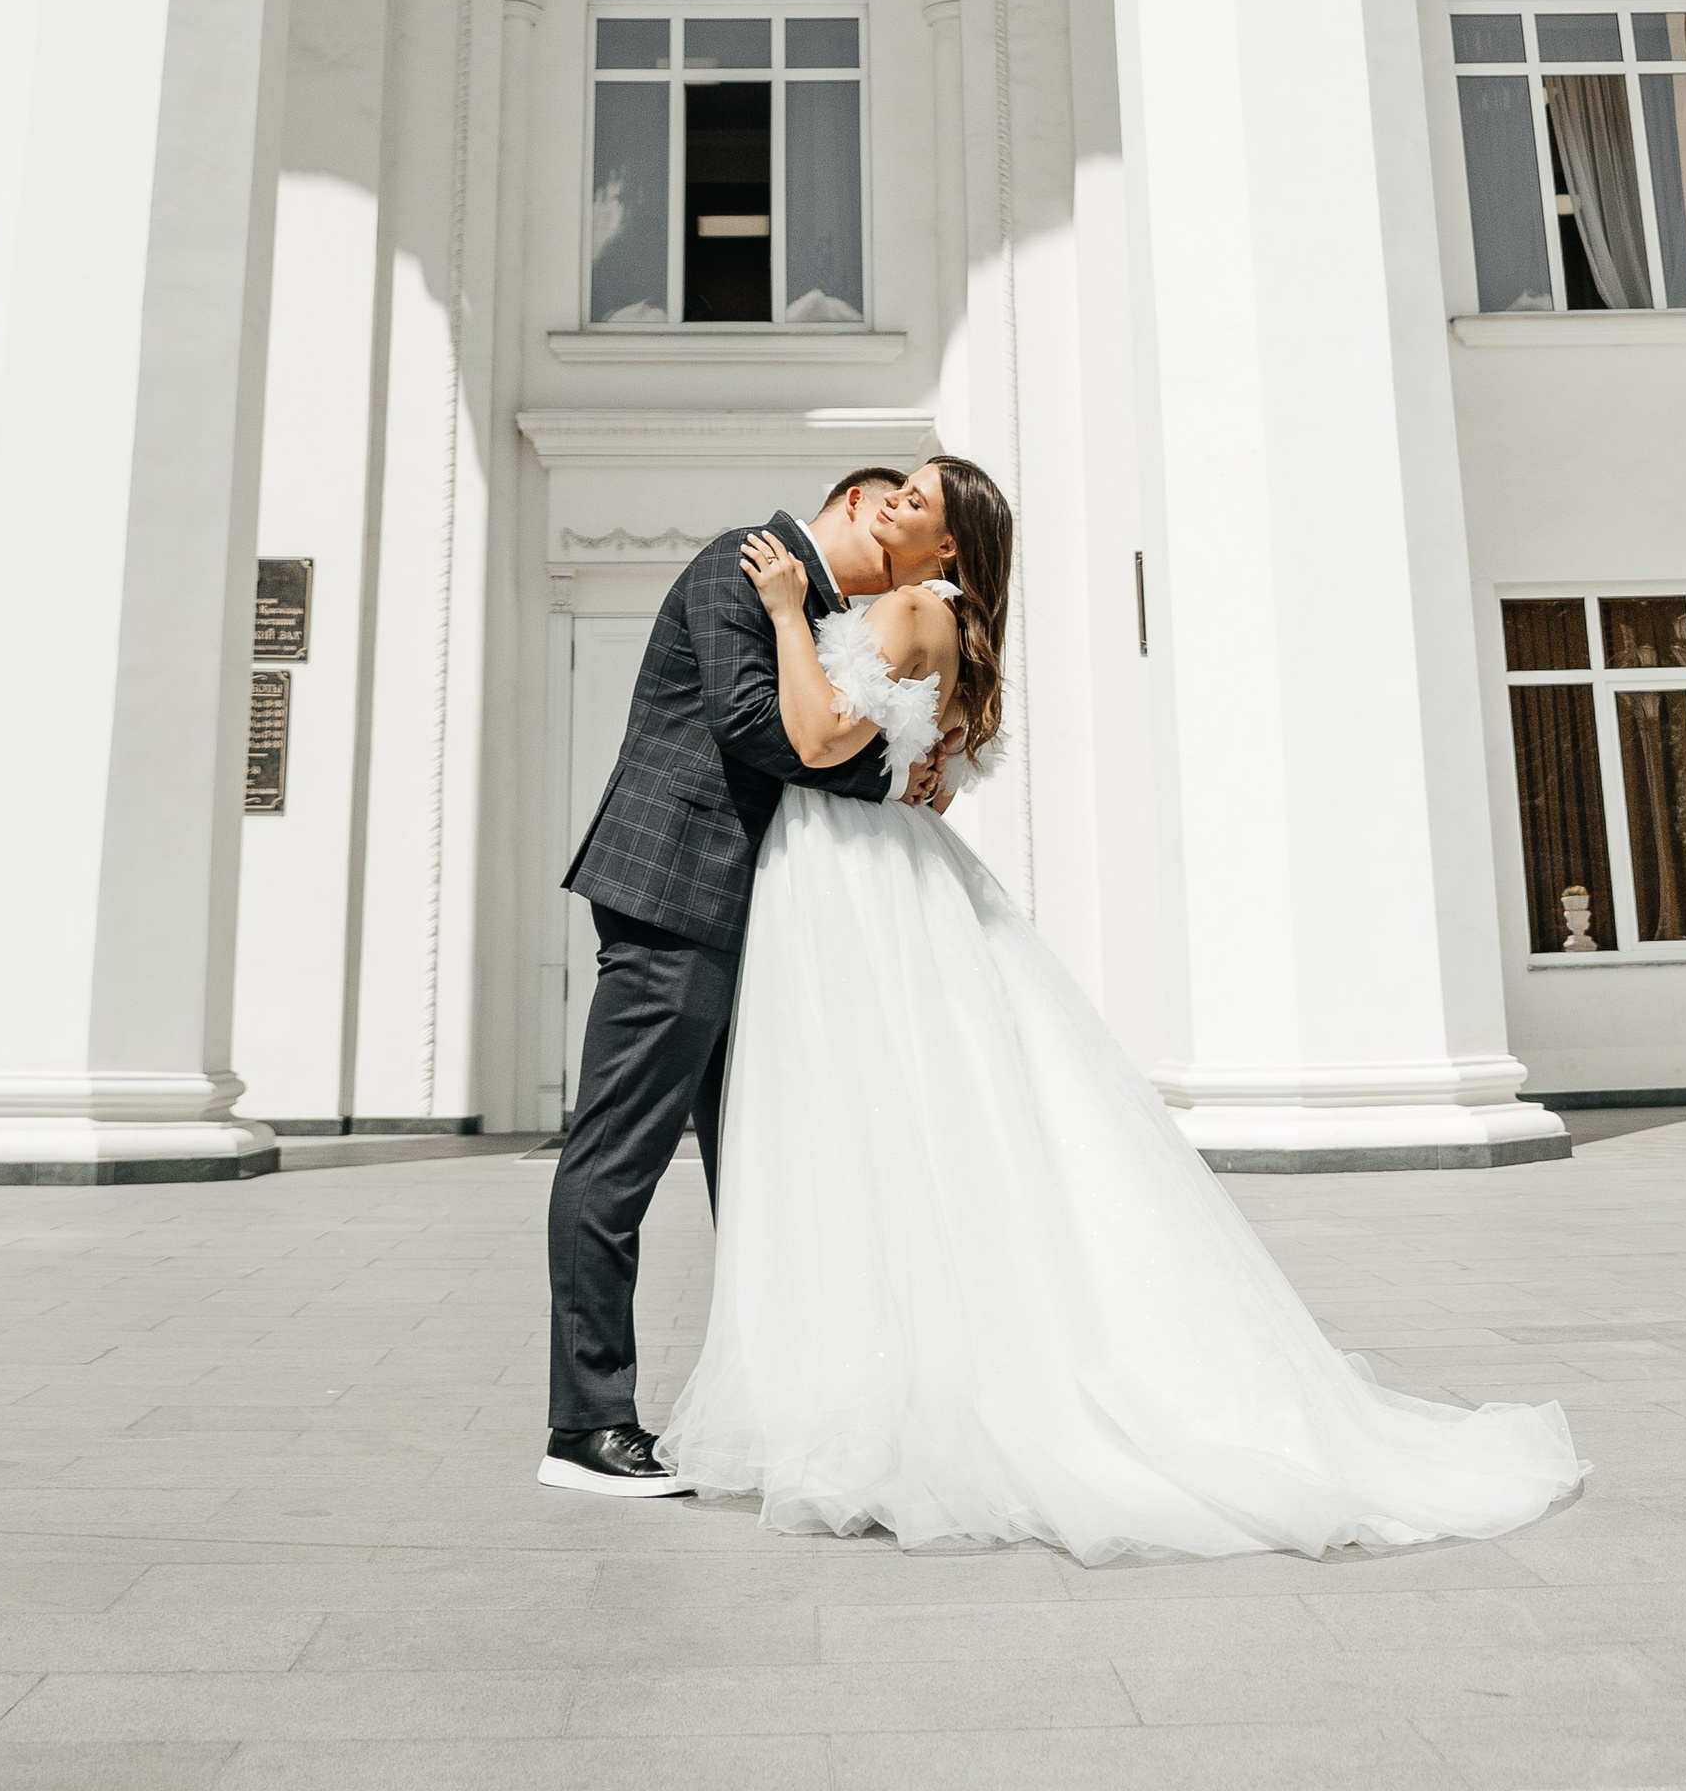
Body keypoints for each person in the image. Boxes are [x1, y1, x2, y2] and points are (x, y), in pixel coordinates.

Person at [657, 455, 1583, 1564]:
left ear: (948, 548)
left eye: (913, 501)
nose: (886, 503)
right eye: (893, 488)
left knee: (872, 1124)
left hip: (853, 881)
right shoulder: (920, 610)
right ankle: (863, 1387)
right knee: (896, 1124)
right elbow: (935, 773)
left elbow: (812, 741)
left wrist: (779, 615)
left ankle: (876, 1402)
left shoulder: (907, 607)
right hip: (861, 871)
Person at [541, 462, 930, 1497]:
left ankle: (781, 1406)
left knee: (757, 1169)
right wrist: (882, 773)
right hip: (675, 893)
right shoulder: (742, 565)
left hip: (748, 915)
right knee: (614, 1158)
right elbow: (758, 725)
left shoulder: (815, 602)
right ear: (857, 503)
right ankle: (584, 1426)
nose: (898, 568)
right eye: (893, 533)